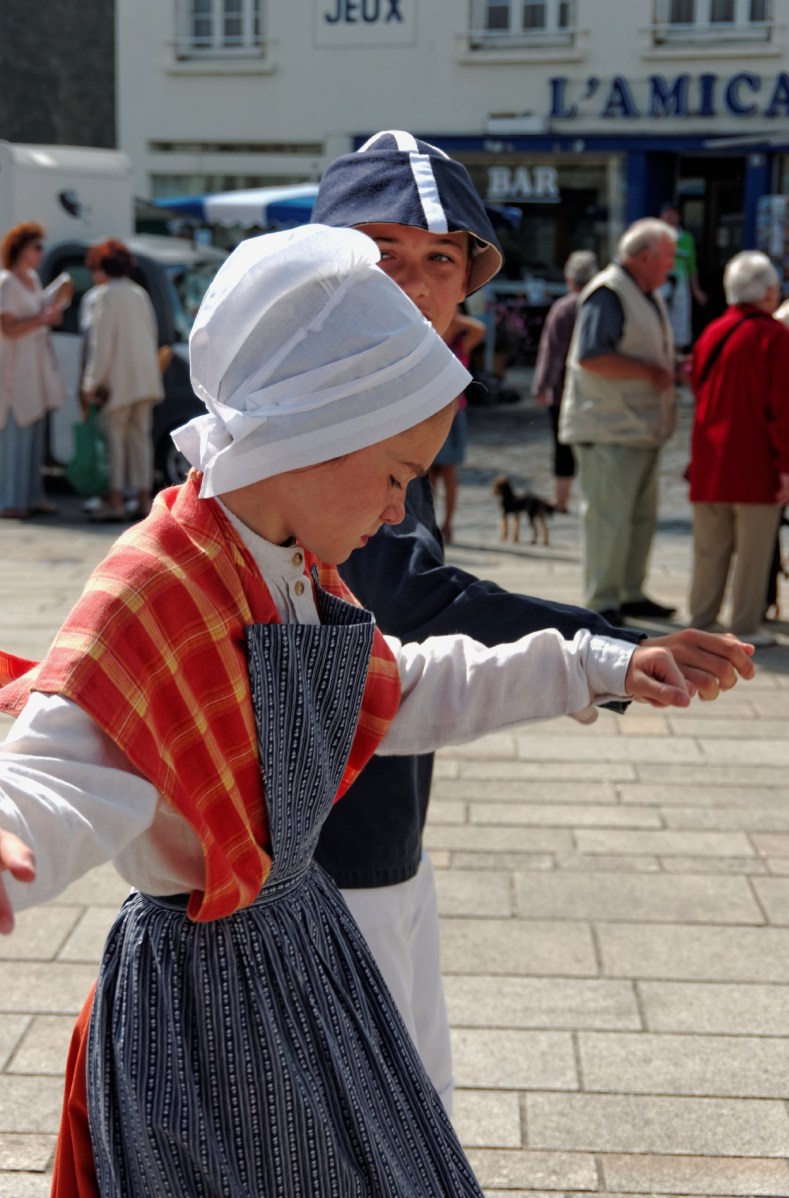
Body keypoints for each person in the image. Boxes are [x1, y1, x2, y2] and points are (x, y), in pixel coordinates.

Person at [0, 224, 698, 1197]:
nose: (397, 511)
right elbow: (67, 751)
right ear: (308, 436)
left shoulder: (291, 567)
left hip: (302, 959)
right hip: (203, 1018)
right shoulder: (159, 583)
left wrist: (592, 662)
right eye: (396, 478)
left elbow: (402, 686)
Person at [311, 133, 756, 1115]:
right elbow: (405, 603)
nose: (416, 285)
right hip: (313, 857)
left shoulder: (372, 387)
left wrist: (600, 652)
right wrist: (606, 643)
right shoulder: (314, 404)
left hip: (372, 823)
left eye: (439, 259)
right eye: (382, 253)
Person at [559, 217, 679, 626]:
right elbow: (592, 355)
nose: (671, 266)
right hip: (608, 427)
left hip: (636, 428)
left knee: (638, 518)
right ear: (643, 257)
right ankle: (603, 600)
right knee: (609, 518)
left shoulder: (644, 292)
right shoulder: (609, 292)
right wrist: (649, 371)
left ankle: (628, 592)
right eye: (666, 258)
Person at [688, 250, 789, 646]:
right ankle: (746, 625)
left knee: (709, 549)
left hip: (710, 458)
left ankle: (702, 619)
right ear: (769, 292)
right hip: (755, 462)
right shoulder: (776, 337)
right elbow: (785, 408)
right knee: (753, 553)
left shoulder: (712, 331)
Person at [81, 239, 165, 521]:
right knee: (141, 438)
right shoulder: (139, 293)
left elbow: (101, 345)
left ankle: (116, 499)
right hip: (145, 378)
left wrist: (92, 383)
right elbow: (152, 334)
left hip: (118, 381)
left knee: (115, 440)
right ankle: (143, 499)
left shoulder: (106, 295)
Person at [0, 221, 67, 518]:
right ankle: (12, 500)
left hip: (36, 368)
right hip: (15, 371)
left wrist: (49, 315)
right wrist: (41, 318)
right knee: (17, 436)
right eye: (37, 246)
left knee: (35, 436)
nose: (41, 252)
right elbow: (8, 327)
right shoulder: (7, 282)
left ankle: (32, 496)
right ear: (21, 248)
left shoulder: (33, 279)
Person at [532, 250, 598, 513]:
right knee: (592, 444)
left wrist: (541, 385)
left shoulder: (563, 308)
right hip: (596, 388)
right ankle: (592, 498)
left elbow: (551, 351)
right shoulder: (599, 305)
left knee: (562, 445)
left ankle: (561, 500)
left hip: (564, 389)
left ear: (570, 279)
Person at [428, 302, 485, 542]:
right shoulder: (433, 335)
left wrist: (452, 313)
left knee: (449, 470)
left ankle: (448, 524)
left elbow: (480, 328)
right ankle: (428, 522)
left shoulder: (463, 342)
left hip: (454, 413)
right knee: (428, 473)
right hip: (428, 414)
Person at [659, 200, 707, 351]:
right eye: (666, 214)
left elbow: (691, 266)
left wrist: (696, 290)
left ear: (679, 217)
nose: (669, 217)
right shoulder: (655, 237)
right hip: (660, 284)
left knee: (680, 325)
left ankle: (676, 361)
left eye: (673, 214)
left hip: (681, 286)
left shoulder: (687, 239)